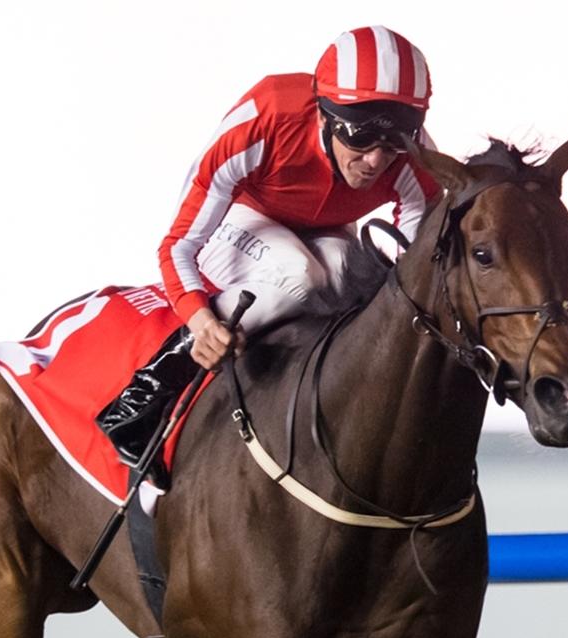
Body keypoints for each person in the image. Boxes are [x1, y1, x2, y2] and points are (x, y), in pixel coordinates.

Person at [96, 25, 443, 466]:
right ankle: (150, 388)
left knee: (348, 276)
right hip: (242, 220)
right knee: (300, 274)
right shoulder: (265, 119)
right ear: (323, 116)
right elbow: (177, 246)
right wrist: (201, 324)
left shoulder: (415, 160)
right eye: (359, 136)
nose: (376, 160)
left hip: (328, 232)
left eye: (395, 140)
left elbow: (413, 271)